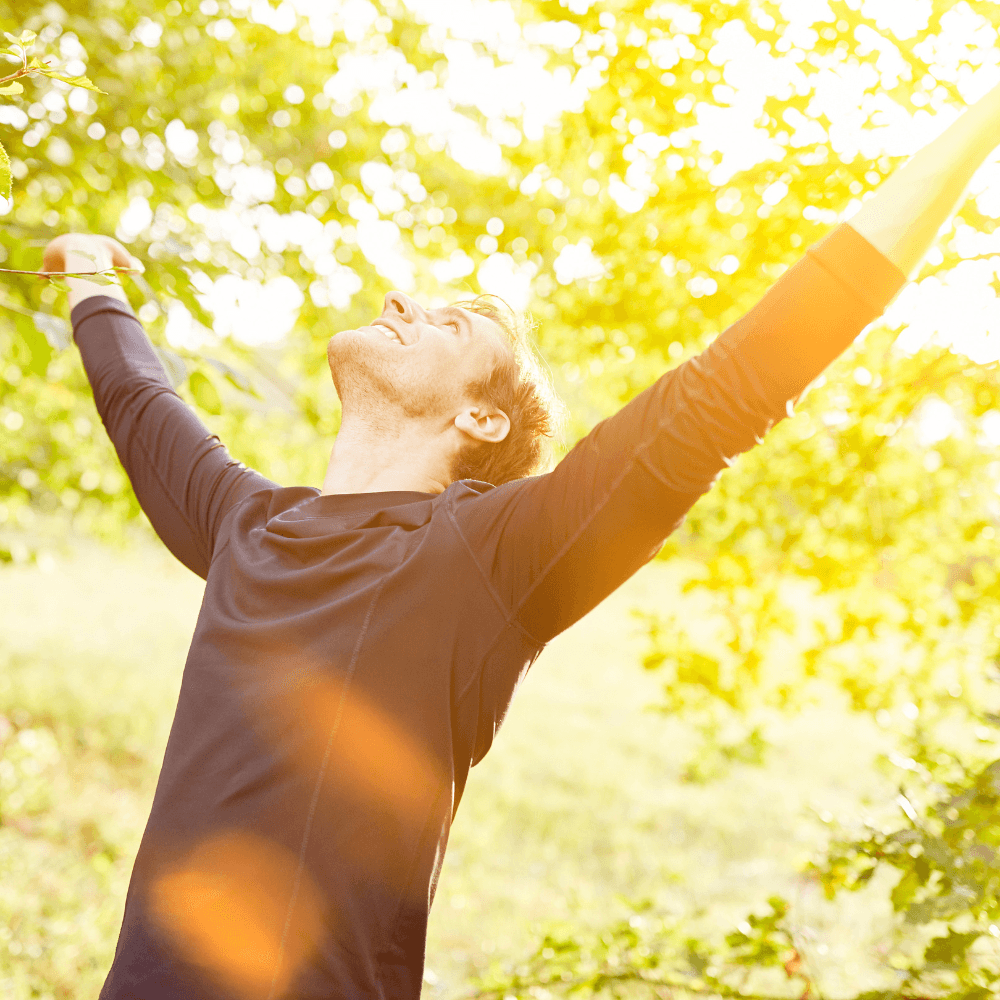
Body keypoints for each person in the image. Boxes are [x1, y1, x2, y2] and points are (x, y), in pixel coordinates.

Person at [40, 75, 1000, 1000]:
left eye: (450, 321)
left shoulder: (490, 562)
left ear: (483, 423)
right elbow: (139, 399)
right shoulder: (247, 524)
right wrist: (90, 274)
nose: (400, 302)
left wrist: (981, 121)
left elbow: (739, 378)